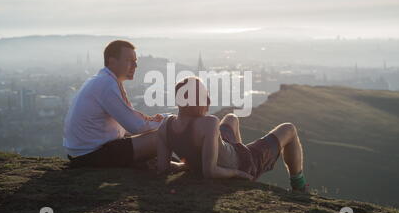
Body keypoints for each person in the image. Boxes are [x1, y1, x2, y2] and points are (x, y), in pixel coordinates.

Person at [156, 76, 309, 192]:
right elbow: (210, 172)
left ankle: (239, 149)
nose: (208, 101)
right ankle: (299, 186)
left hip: (228, 149)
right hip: (244, 163)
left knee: (231, 118)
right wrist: (237, 173)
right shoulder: (209, 123)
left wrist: (184, 165)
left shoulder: (165, 126)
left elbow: (163, 168)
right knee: (289, 129)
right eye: (204, 96)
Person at [63, 40, 166, 168]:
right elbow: (137, 127)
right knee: (166, 134)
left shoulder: (102, 80)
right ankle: (180, 166)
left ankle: (170, 163)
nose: (135, 66)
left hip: (83, 153)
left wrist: (154, 121)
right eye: (129, 61)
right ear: (112, 62)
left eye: (135, 61)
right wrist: (169, 122)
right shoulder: (107, 84)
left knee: (158, 134)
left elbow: (129, 123)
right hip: (91, 155)